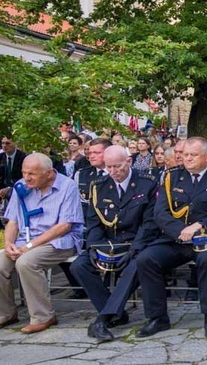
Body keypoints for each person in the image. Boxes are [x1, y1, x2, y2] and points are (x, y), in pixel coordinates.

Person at [135, 137, 207, 338]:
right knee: (146, 259)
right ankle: (158, 317)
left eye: (193, 155)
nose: (187, 159)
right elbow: (160, 213)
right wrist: (180, 231)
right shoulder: (172, 177)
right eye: (185, 154)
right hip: (176, 238)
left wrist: (198, 226)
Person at [69, 146, 159, 342]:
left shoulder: (147, 183)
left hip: (138, 241)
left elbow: (149, 223)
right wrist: (93, 247)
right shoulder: (99, 185)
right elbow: (94, 222)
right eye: (109, 167)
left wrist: (135, 248)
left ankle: (102, 319)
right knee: (79, 265)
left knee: (137, 265)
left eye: (117, 166)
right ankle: (115, 313)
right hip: (108, 242)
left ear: (129, 161)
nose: (113, 172)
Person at [0, 153, 83, 333]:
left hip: (59, 240)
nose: (27, 178)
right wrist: (8, 244)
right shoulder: (21, 186)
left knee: (27, 262)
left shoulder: (67, 186)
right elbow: (13, 220)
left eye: (32, 174)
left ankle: (43, 316)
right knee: (1, 262)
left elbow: (64, 226)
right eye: (24, 173)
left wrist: (29, 246)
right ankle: (6, 313)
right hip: (25, 240)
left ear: (50, 173)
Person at [1, 135, 27, 200]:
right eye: (3, 143)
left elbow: (25, 178)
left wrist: (10, 189)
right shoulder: (1, 157)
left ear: (15, 143)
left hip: (18, 189)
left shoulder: (23, 158)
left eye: (7, 143)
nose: (4, 146)